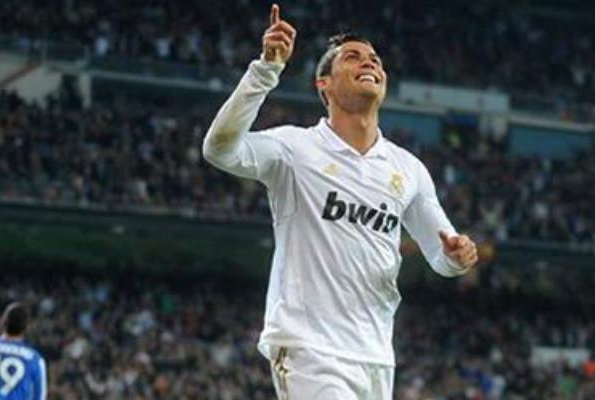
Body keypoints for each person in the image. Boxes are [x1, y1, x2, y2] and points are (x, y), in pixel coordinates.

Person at [202, 4, 478, 399]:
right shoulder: (294, 149)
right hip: (308, 349)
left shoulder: (408, 169)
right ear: (324, 85)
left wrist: (458, 256)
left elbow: (441, 255)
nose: (369, 62)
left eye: (375, 59)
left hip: (375, 356)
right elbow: (219, 149)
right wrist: (266, 70)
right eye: (352, 57)